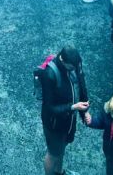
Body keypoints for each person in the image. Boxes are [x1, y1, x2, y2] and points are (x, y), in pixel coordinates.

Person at [36, 45, 89, 175]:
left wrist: (84, 111)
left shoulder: (75, 63)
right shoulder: (50, 74)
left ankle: (59, 172)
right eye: (71, 67)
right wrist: (73, 107)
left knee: (62, 148)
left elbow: (81, 83)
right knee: (53, 154)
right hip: (54, 124)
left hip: (68, 120)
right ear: (62, 60)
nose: (74, 70)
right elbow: (49, 108)